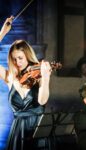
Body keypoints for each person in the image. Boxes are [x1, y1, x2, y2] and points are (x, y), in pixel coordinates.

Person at [0, 17, 52, 150]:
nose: (17, 62)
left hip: (38, 130)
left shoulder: (39, 75)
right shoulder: (10, 78)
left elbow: (42, 101)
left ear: (28, 56)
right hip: (18, 131)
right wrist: (2, 33)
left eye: (20, 58)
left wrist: (45, 78)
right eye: (14, 59)